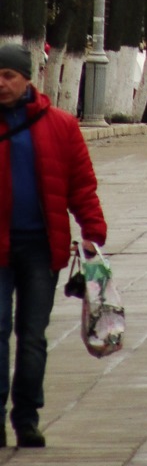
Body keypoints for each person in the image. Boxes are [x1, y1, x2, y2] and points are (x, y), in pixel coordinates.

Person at [0, 41, 107, 448]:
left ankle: (26, 418)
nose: (2, 83)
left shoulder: (59, 125)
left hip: (42, 249)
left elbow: (81, 184)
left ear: (28, 78)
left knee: (32, 336)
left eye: (9, 75)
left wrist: (93, 232)